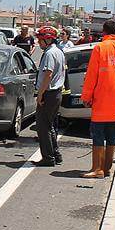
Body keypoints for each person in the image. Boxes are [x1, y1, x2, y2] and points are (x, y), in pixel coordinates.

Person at [81, 20, 115, 179]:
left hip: (102, 99)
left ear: (104, 32)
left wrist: (86, 96)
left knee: (98, 134)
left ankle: (97, 169)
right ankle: (107, 168)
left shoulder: (100, 48)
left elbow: (91, 76)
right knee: (112, 134)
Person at [33, 26, 68, 166]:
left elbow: (48, 74)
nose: (39, 42)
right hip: (55, 94)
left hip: (49, 94)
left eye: (40, 39)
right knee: (50, 126)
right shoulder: (58, 51)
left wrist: (40, 94)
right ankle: (56, 154)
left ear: (48, 39)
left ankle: (48, 158)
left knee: (43, 127)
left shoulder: (49, 53)